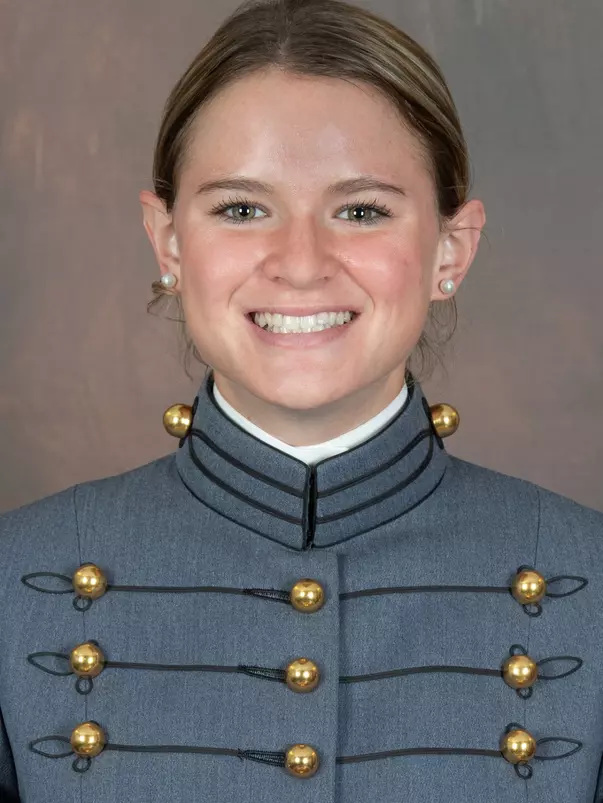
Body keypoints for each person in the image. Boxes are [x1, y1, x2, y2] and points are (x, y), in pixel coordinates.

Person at [1, 0, 601, 800]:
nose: (301, 262)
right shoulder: (15, 580)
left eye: (360, 211)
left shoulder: (587, 575)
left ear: (450, 249)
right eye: (242, 209)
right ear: (169, 241)